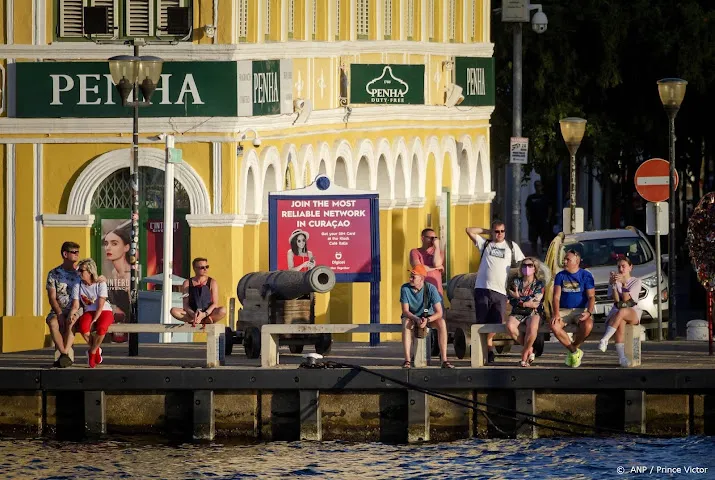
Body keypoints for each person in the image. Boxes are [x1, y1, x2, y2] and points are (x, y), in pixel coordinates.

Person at [465, 220, 525, 364]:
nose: (499, 234)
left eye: (502, 231)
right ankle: (487, 352)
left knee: (496, 322)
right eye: (497, 231)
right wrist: (488, 232)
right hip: (482, 288)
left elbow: (524, 262)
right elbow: (469, 230)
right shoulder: (485, 244)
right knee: (481, 322)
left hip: (500, 291)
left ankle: (488, 346)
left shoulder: (511, 246)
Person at [400, 264, 453, 369]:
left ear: (421, 278)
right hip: (412, 316)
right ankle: (407, 360)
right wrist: (416, 319)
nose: (410, 279)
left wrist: (427, 319)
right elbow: (405, 311)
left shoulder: (431, 289)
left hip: (427, 316)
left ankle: (444, 360)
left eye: (413, 277)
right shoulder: (405, 288)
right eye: (410, 276)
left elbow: (439, 312)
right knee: (406, 323)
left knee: (442, 323)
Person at [550, 249, 596, 368]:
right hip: (564, 310)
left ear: (577, 261)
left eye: (568, 259)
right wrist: (556, 313)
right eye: (564, 259)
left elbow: (591, 297)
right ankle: (574, 351)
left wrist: (589, 312)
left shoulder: (586, 275)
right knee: (554, 325)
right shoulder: (560, 276)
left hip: (580, 310)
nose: (564, 262)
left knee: (588, 325)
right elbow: (556, 297)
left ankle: (574, 348)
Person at [68, 259, 115, 368]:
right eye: (78, 270)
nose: (79, 273)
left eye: (82, 270)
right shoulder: (78, 285)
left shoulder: (100, 283)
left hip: (104, 310)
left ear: (90, 272)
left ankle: (92, 352)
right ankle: (96, 349)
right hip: (89, 310)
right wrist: (71, 314)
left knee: (101, 328)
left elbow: (100, 306)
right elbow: (75, 305)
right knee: (83, 328)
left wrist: (94, 320)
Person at [598, 256, 643, 367]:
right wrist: (613, 285)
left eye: (624, 266)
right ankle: (622, 358)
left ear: (630, 267)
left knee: (622, 311)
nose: (621, 269)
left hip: (632, 311)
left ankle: (605, 339)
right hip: (618, 310)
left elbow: (627, 300)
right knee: (620, 322)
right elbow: (617, 300)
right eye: (619, 267)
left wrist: (624, 284)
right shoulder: (616, 280)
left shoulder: (636, 281)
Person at [45, 241, 82, 368]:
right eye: (74, 252)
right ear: (65, 254)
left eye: (78, 252)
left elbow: (93, 281)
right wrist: (59, 313)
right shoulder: (54, 274)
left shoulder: (80, 273)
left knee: (71, 321)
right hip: (58, 309)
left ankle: (64, 355)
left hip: (76, 309)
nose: (77, 255)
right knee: (53, 322)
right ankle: (64, 354)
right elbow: (52, 297)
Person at [505, 257, 546, 367]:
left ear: (535, 268)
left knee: (532, 328)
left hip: (534, 312)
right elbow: (511, 299)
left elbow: (536, 301)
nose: (527, 268)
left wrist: (519, 298)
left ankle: (524, 355)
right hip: (518, 311)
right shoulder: (515, 282)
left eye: (530, 265)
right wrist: (525, 302)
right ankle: (530, 349)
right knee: (509, 326)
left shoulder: (539, 284)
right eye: (524, 265)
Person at [170, 257, 227, 326]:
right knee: (174, 311)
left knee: (222, 310)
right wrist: (193, 314)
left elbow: (215, 303)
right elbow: (185, 304)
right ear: (195, 269)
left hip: (207, 312)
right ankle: (196, 319)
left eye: (207, 267)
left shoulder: (212, 282)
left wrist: (205, 314)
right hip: (192, 313)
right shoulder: (187, 283)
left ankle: (203, 319)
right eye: (202, 267)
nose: (205, 269)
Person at [103, 220, 132, 342]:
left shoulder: (130, 274)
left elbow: (132, 305)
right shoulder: (112, 273)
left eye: (114, 243)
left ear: (126, 247)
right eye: (106, 243)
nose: (108, 248)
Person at [409, 228, 444, 296]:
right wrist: (435, 268)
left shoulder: (439, 252)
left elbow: (436, 264)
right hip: (420, 290)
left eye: (435, 238)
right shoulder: (415, 251)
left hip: (436, 291)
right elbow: (418, 268)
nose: (433, 240)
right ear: (422, 238)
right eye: (431, 238)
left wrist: (437, 247)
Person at [525, 180, 552, 255]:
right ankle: (534, 253)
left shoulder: (545, 197)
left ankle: (544, 253)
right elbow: (527, 209)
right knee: (533, 240)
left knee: (544, 239)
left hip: (543, 222)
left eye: (539, 185)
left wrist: (548, 219)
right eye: (536, 185)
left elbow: (550, 208)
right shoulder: (531, 197)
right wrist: (528, 219)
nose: (537, 187)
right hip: (533, 222)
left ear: (542, 186)